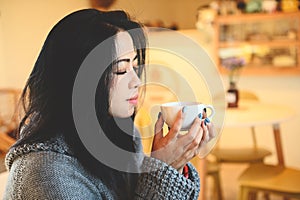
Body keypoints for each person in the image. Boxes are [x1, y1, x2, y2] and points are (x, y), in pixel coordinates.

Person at [3, 9, 215, 200]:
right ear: (77, 80)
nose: (137, 81)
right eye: (121, 70)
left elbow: (140, 192)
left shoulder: (120, 134)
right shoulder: (45, 173)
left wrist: (172, 166)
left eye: (135, 66)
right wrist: (161, 171)